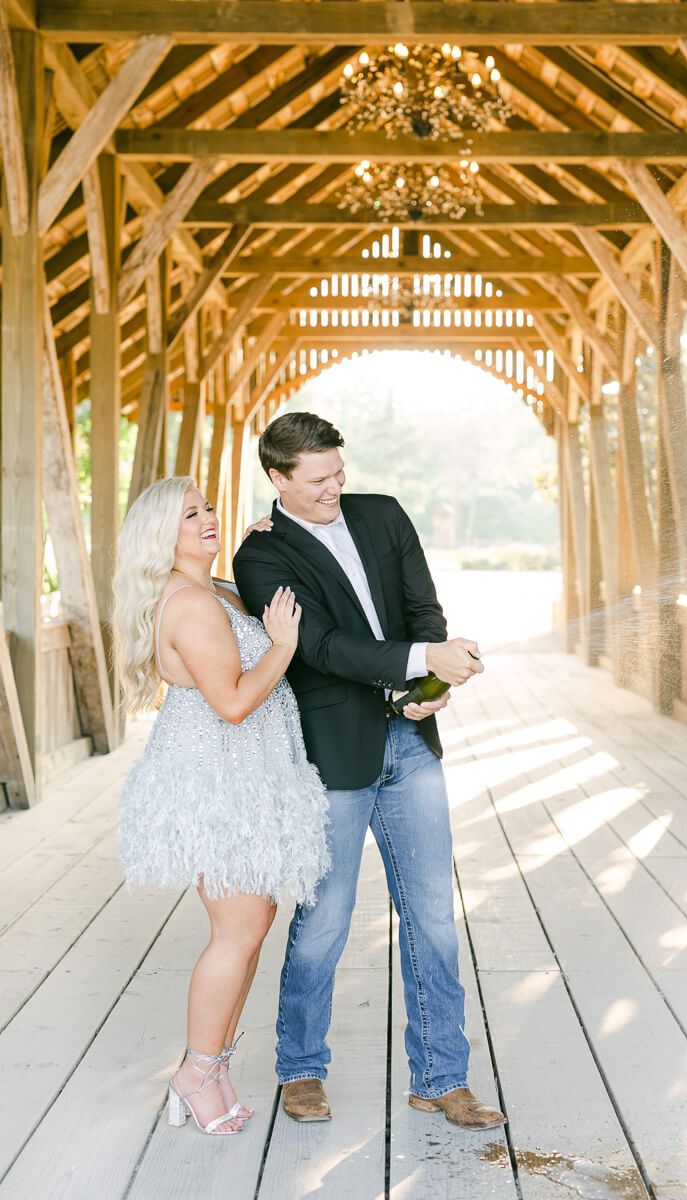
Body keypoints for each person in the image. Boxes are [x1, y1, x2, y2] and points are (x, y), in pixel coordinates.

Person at [233, 412, 506, 1131]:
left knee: (434, 919)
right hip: (333, 755)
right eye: (318, 479)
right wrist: (422, 662)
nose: (335, 488)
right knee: (323, 920)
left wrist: (435, 681)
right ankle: (300, 1069)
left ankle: (442, 1078)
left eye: (339, 472)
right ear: (277, 478)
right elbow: (320, 648)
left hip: (412, 742)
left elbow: (422, 611)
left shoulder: (383, 516)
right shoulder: (261, 559)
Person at [113, 476, 329, 1137]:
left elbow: (248, 605)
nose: (207, 518)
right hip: (219, 781)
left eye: (208, 507)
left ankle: (216, 1063)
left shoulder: (210, 592)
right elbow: (232, 702)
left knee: (253, 922)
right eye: (190, 515)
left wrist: (270, 543)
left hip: (239, 775)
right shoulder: (192, 605)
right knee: (236, 932)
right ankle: (195, 1072)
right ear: (161, 535)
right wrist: (286, 647)